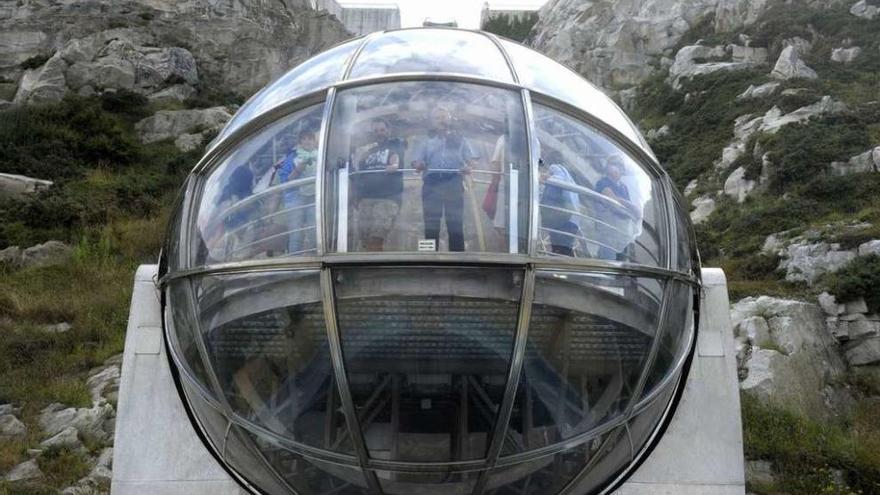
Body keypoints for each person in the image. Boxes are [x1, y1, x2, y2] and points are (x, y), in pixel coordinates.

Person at [412, 107, 478, 252]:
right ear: (432, 123)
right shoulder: (426, 142)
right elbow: (416, 161)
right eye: (438, 118)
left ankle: (458, 259)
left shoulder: (461, 140)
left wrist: (468, 166)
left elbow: (472, 160)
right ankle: (429, 258)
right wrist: (419, 164)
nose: (441, 121)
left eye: (444, 117)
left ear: (449, 119)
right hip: (432, 184)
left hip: (453, 183)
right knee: (430, 224)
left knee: (455, 223)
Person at [353, 118, 404, 251]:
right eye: (376, 131)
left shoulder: (396, 145)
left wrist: (394, 165)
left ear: (388, 131)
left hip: (387, 198)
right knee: (364, 238)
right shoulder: (368, 153)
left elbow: (396, 159)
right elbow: (360, 176)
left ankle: (373, 270)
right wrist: (357, 196)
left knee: (377, 237)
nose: (379, 133)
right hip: (366, 198)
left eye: (382, 130)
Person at [274, 128, 319, 255]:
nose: (307, 141)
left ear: (314, 141)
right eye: (304, 139)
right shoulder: (292, 158)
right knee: (296, 233)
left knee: (313, 231)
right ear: (299, 142)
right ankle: (295, 262)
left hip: (315, 197)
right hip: (296, 197)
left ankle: (313, 259)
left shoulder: (320, 155)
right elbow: (286, 181)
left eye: (310, 138)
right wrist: (299, 169)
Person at [594, 157, 637, 261]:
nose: (617, 168)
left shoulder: (623, 187)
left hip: (623, 233)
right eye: (614, 164)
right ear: (608, 167)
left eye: (619, 165)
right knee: (607, 262)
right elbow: (613, 202)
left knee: (623, 264)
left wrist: (626, 204)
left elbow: (634, 210)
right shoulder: (602, 182)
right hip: (608, 231)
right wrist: (628, 205)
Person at [539, 154, 580, 257]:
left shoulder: (555, 167)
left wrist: (545, 178)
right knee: (564, 250)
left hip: (563, 220)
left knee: (560, 252)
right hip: (572, 220)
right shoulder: (570, 178)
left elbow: (558, 178)